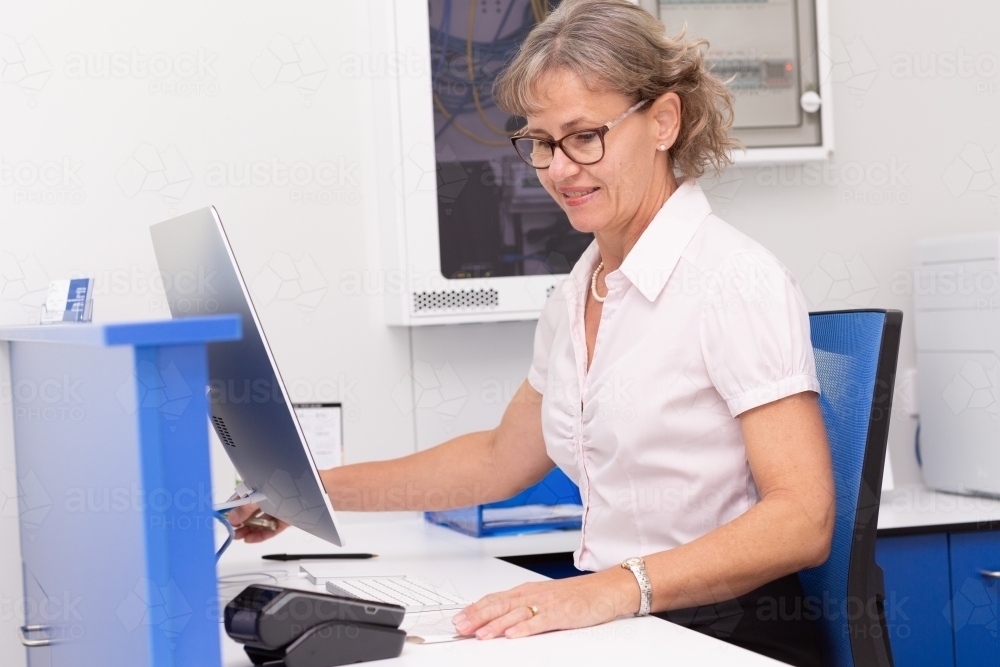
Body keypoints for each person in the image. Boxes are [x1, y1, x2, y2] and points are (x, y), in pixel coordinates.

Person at [229, 1, 834, 665]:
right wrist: (305, 488)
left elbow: (803, 520)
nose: (560, 169)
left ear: (664, 120)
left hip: (727, 634)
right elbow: (497, 457)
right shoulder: (581, 290)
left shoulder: (733, 280)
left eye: (585, 136)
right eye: (542, 142)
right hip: (626, 621)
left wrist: (612, 588)